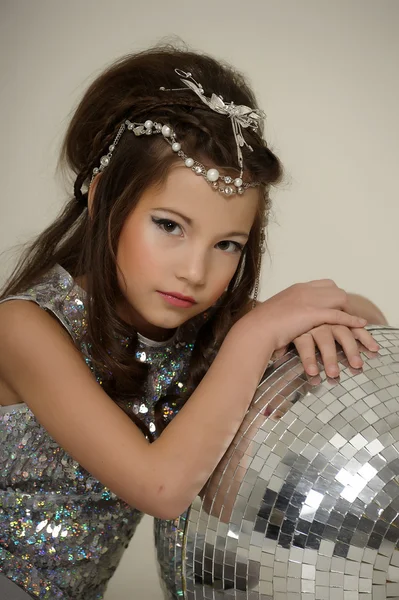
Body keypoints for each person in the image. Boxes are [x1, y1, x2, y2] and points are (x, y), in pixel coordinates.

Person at [0, 44, 386, 599]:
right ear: (103, 194)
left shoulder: (198, 331)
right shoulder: (26, 329)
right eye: (169, 225)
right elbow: (160, 488)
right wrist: (258, 332)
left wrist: (308, 321)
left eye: (228, 243)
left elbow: (368, 321)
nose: (195, 272)